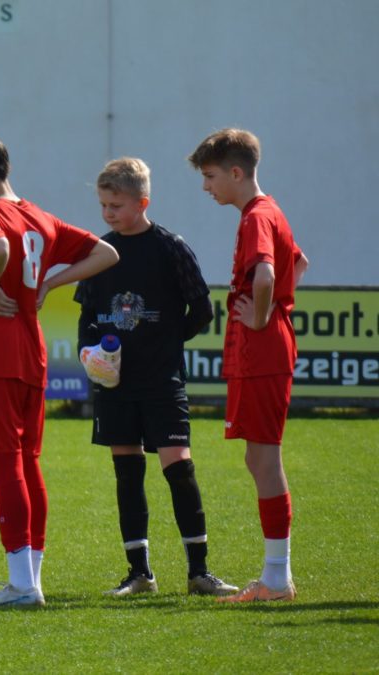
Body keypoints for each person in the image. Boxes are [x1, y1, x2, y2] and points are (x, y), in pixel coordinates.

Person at [0, 133, 119, 607]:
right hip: (30, 350)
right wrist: (49, 283)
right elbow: (107, 253)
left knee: (5, 464)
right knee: (27, 462)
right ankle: (31, 579)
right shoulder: (40, 216)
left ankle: (21, 585)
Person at [73, 157, 238, 598]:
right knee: (127, 473)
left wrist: (169, 342)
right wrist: (88, 355)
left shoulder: (170, 247)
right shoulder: (98, 251)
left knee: (179, 469)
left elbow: (201, 307)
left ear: (142, 202)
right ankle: (139, 574)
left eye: (118, 205)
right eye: (104, 205)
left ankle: (200, 573)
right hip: (115, 386)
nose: (109, 213)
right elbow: (88, 316)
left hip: (162, 380)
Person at [188, 128, 308, 603]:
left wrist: (261, 316)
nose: (207, 187)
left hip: (261, 351)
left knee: (264, 459)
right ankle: (275, 575)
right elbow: (300, 263)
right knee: (258, 458)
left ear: (236, 173)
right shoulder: (269, 210)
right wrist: (275, 309)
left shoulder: (256, 216)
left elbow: (269, 273)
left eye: (211, 176)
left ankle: (276, 578)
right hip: (263, 348)